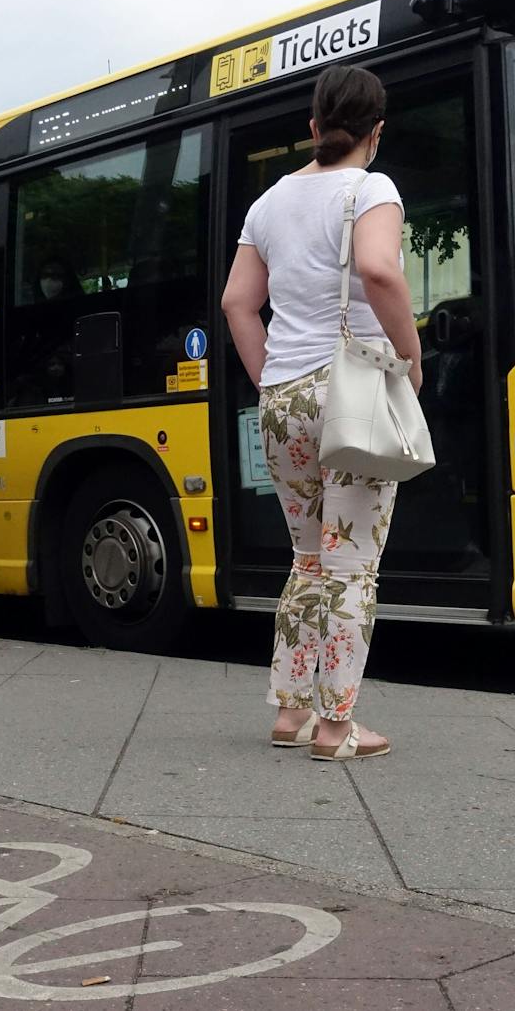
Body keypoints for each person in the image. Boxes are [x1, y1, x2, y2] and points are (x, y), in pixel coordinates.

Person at [220, 66, 422, 762]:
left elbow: (237, 303)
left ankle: (292, 712)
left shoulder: (268, 203)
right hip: (352, 394)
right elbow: (380, 270)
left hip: (283, 397)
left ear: (313, 127)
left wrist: (270, 378)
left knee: (308, 558)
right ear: (376, 131)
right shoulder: (372, 189)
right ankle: (337, 728)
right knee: (351, 565)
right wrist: (411, 357)